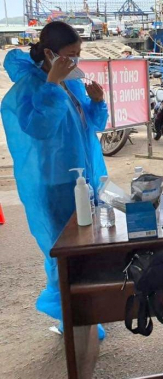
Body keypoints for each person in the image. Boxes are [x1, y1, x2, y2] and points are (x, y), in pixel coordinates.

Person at [1, 21, 108, 332]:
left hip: (81, 176)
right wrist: (50, 85)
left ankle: (86, 309)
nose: (75, 61)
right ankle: (68, 316)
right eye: (69, 55)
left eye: (78, 55)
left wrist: (97, 102)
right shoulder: (30, 88)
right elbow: (40, 129)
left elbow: (91, 127)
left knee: (84, 246)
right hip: (53, 183)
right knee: (61, 252)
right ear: (49, 53)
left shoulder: (71, 82)